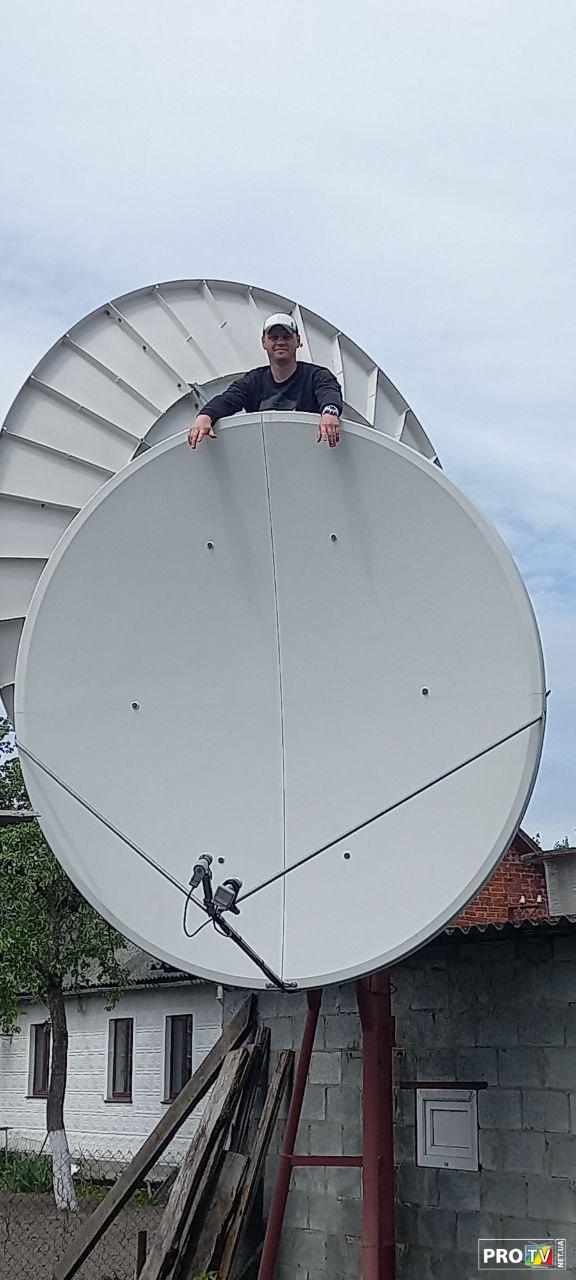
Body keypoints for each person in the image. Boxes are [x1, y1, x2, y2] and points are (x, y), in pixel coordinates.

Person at [187, 313, 343, 449]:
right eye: (273, 337)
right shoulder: (254, 381)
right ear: (264, 342)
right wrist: (205, 416)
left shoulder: (316, 376)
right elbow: (229, 399)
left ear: (298, 341)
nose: (280, 342)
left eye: (286, 337)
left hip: (307, 453)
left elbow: (329, 391)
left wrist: (329, 412)